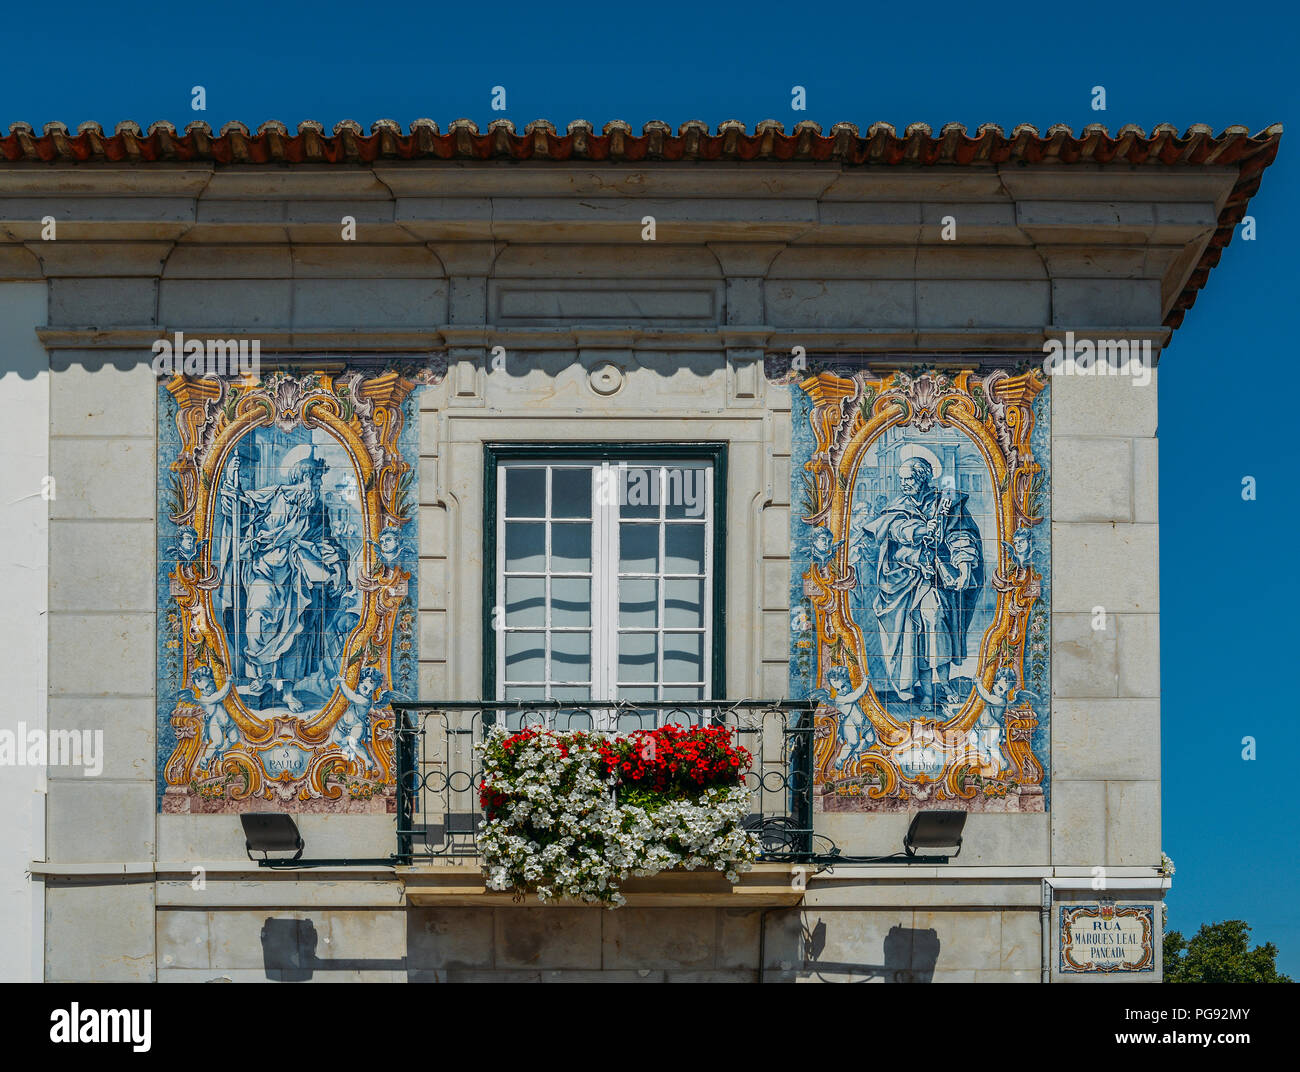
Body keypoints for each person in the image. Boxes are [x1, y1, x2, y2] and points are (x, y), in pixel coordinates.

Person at [214, 444, 349, 714]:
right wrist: (231, 479)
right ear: (300, 476)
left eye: (319, 479)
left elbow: (325, 540)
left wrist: (337, 565)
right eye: (314, 478)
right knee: (257, 619)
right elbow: (238, 505)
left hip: (296, 572)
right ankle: (257, 676)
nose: (317, 484)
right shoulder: (274, 495)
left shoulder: (317, 508)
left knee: (295, 630)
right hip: (263, 569)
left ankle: (287, 690)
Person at [863, 458, 983, 705]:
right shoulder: (897, 507)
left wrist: (962, 568)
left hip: (935, 581)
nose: (903, 483)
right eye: (901, 479)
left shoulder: (946, 503)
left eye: (908, 478)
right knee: (914, 636)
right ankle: (927, 691)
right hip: (903, 583)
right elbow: (894, 542)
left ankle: (944, 684)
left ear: (923, 478)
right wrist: (919, 540)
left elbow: (961, 535)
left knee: (934, 619)